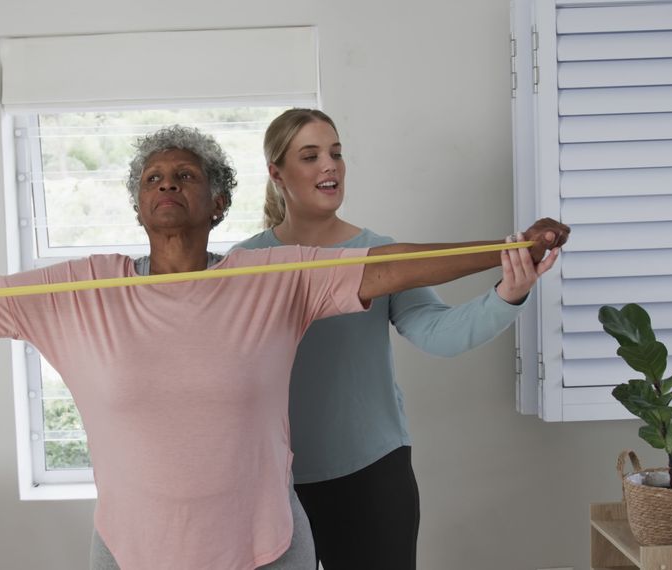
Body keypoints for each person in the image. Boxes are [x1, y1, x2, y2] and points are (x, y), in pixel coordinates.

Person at [0, 125, 568, 570]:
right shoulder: (81, 290)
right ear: (137, 205)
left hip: (268, 545)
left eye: (187, 175)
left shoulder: (270, 278)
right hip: (132, 552)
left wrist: (509, 249)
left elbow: (391, 267)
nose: (167, 184)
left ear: (220, 202)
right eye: (153, 176)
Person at [233, 108, 565, 569]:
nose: (329, 166)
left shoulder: (380, 253)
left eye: (336, 153)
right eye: (310, 156)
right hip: (274, 482)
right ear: (276, 173)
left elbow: (438, 334)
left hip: (373, 474)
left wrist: (509, 292)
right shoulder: (245, 262)